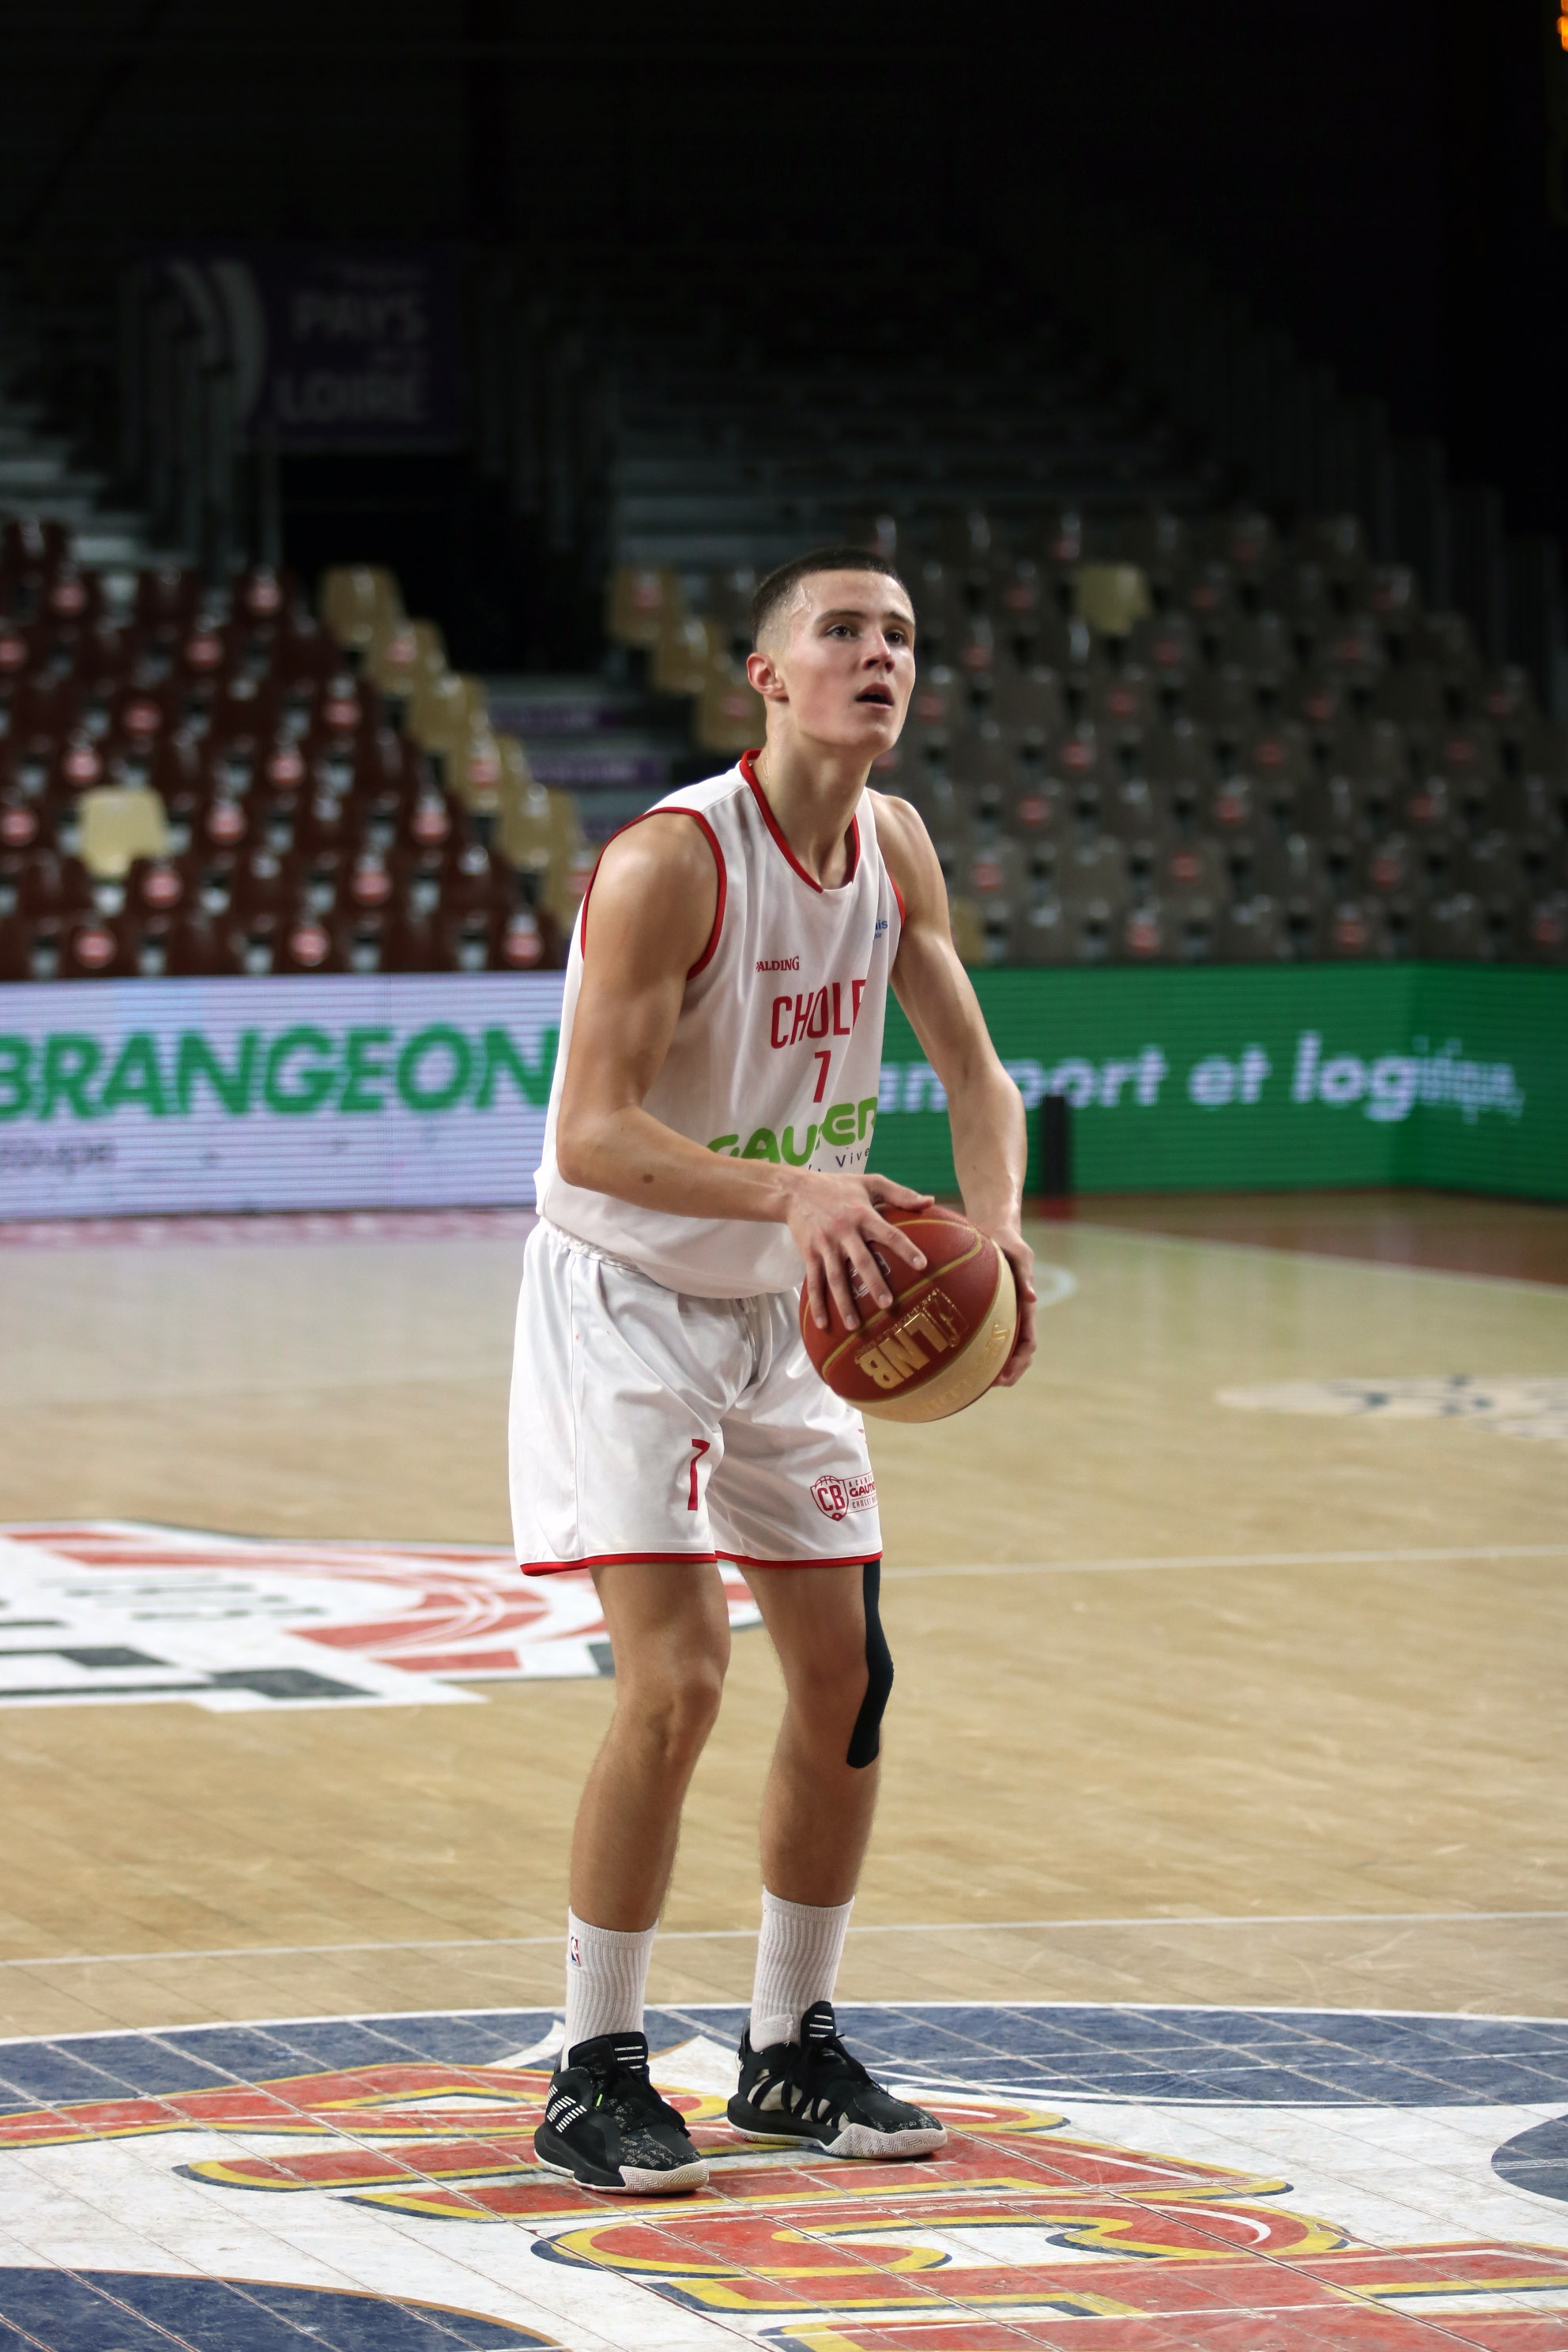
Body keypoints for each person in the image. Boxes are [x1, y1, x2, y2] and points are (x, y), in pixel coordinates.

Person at [509, 545, 1036, 2195]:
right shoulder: (676, 861)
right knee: (675, 1683)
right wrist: (795, 1187)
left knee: (849, 1682)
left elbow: (976, 1072)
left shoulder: (891, 843)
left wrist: (999, 1241)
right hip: (632, 1298)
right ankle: (595, 2063)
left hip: (796, 1303)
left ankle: (787, 2050)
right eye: (842, 631)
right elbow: (591, 1136)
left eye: (899, 631)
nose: (877, 654)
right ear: (767, 675)